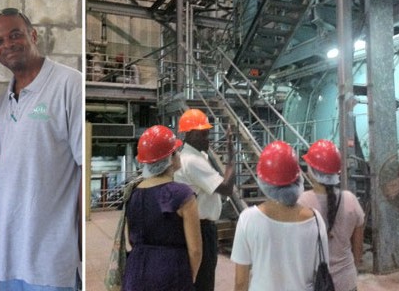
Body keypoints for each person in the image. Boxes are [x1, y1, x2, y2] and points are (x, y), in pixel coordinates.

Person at [0, 8, 83, 290]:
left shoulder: (69, 85)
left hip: (50, 261)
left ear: (33, 35)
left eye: (15, 34)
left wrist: (81, 241)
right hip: (7, 258)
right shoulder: (1, 104)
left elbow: (83, 166)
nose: (8, 44)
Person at [231, 141, 329, 291]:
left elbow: (240, 281)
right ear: (298, 178)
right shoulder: (315, 220)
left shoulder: (248, 219)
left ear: (263, 180)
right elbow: (321, 272)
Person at [124, 125, 202, 290]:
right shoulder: (182, 194)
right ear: (170, 158)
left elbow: (132, 238)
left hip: (136, 270)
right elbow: (195, 250)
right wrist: (189, 278)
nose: (179, 154)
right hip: (171, 272)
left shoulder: (133, 193)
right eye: (176, 151)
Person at [173, 108, 235, 291]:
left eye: (208, 133)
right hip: (201, 229)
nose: (208, 138)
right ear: (190, 134)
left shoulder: (193, 156)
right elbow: (227, 188)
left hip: (196, 227)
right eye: (204, 134)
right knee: (204, 281)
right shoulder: (192, 161)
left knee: (198, 279)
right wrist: (232, 156)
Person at [297, 140, 365, 291]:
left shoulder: (302, 202)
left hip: (315, 283)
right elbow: (358, 250)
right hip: (347, 281)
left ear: (311, 171)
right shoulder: (351, 200)